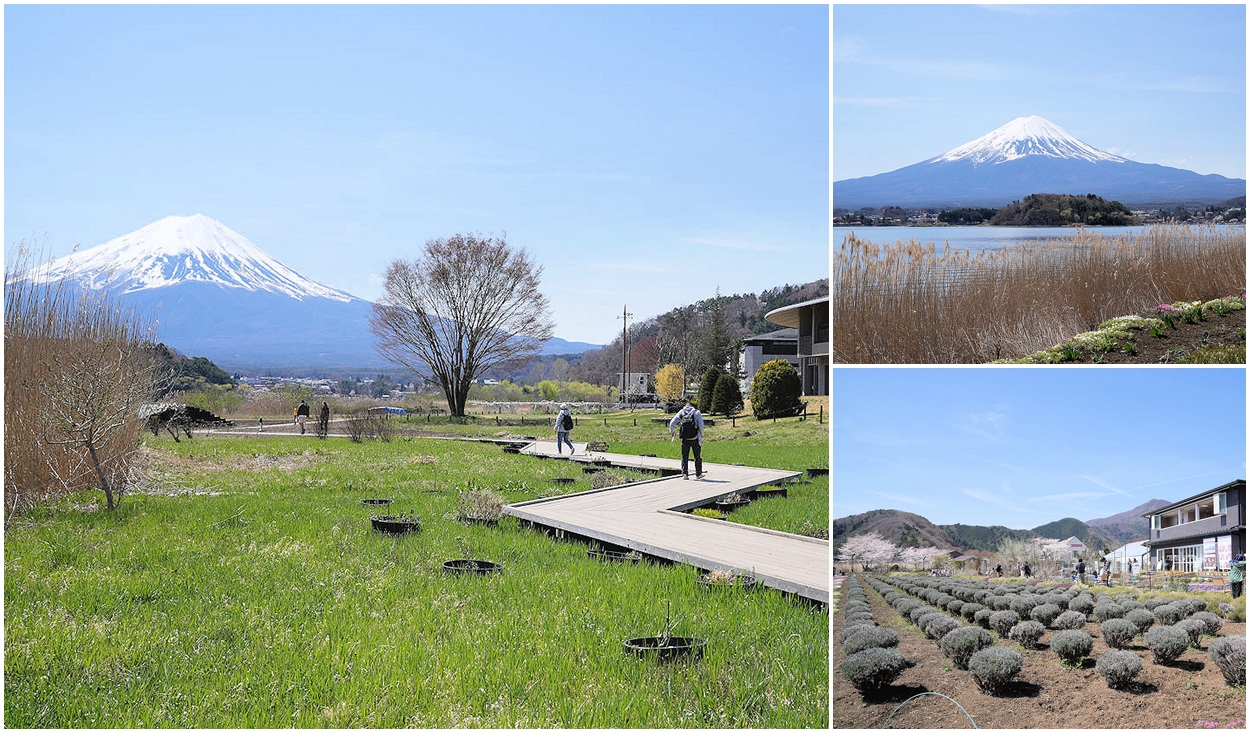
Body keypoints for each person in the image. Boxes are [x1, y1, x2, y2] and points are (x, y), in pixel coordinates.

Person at [668, 398, 704, 479]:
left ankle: (685, 474)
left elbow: (672, 423)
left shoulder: (681, 412)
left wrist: (672, 431)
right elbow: (701, 425)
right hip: (695, 437)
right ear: (692, 406)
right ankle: (698, 474)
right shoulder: (697, 412)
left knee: (684, 456)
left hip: (684, 438)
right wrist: (702, 435)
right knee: (697, 456)